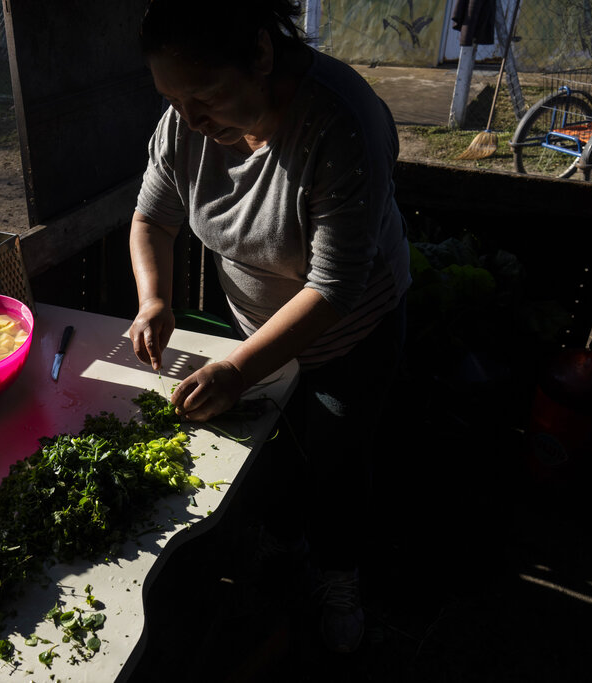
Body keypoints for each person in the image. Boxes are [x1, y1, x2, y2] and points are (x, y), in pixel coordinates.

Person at [128, 0, 411, 654]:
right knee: (276, 452)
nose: (189, 118)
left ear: (260, 54)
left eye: (204, 94)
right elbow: (153, 218)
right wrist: (154, 299)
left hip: (351, 334)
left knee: (339, 459)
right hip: (255, 336)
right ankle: (283, 544)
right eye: (171, 98)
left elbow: (334, 288)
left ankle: (340, 575)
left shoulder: (340, 121)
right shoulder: (184, 125)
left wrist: (234, 369)